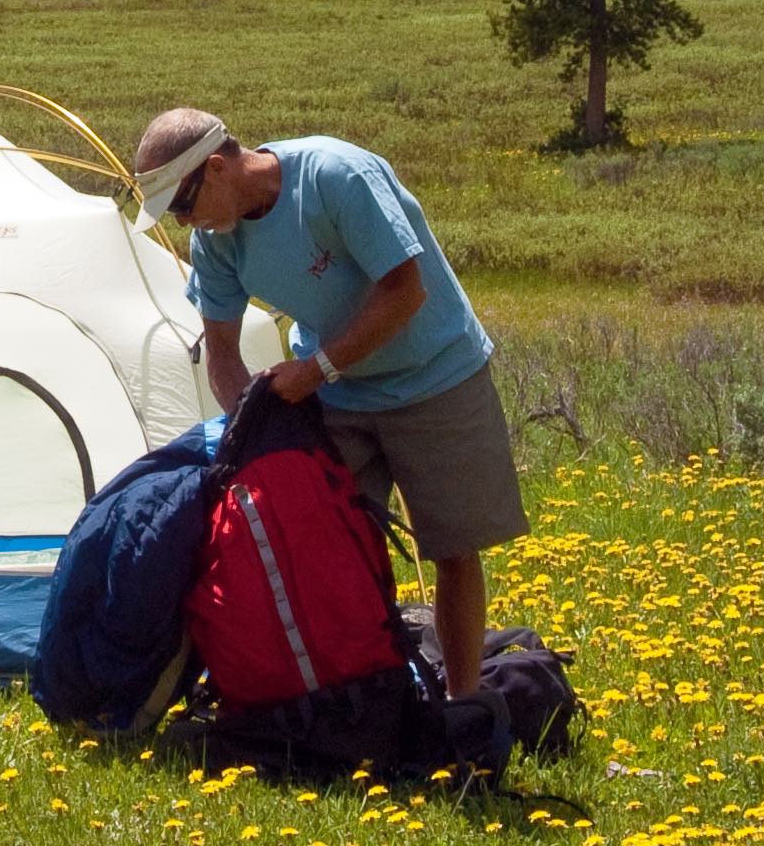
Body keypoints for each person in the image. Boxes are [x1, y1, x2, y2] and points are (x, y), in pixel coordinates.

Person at [129, 107, 523, 701]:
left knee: (453, 549)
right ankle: (374, 696)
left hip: (436, 374)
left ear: (214, 169)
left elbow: (406, 292)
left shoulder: (336, 177)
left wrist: (316, 371)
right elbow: (224, 357)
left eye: (184, 207)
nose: (186, 224)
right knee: (337, 547)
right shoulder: (215, 243)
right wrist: (252, 433)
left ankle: (462, 709)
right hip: (337, 394)